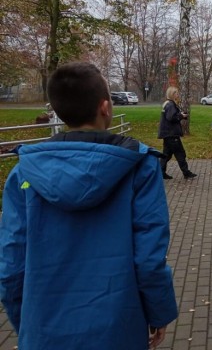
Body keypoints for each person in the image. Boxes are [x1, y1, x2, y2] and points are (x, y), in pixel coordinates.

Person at [0, 62, 178, 349]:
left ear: (58, 112)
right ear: (105, 108)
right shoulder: (140, 169)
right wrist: (159, 312)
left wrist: (28, 324)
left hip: (44, 331)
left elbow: (11, 267)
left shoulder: (22, 175)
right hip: (118, 330)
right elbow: (148, 260)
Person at [158, 86, 197, 180]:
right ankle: (186, 173)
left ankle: (160, 172)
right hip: (171, 134)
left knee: (166, 155)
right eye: (176, 93)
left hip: (167, 134)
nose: (177, 94)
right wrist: (181, 116)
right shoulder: (170, 105)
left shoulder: (167, 104)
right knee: (180, 153)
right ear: (172, 94)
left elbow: (172, 116)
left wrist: (181, 115)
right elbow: (171, 117)